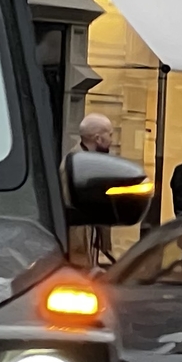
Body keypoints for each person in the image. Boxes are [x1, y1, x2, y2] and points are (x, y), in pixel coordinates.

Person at [66, 112, 118, 268]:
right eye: (109, 135)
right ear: (98, 138)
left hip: (89, 243)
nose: (112, 140)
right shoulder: (76, 165)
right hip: (79, 248)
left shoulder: (90, 162)